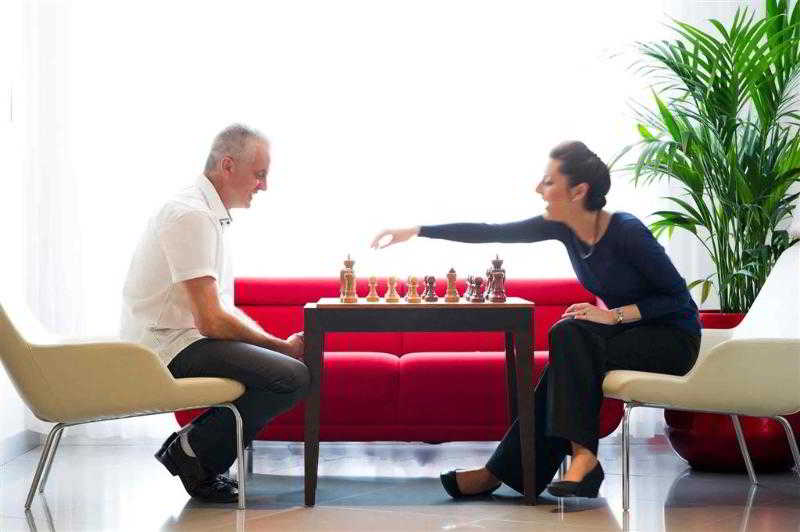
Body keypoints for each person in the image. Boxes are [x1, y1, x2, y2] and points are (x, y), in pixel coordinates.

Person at [370, 141, 700, 500]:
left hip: (671, 340)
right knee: (568, 337)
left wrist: (613, 315)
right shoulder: (564, 228)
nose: (538, 189)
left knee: (570, 341)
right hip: (628, 336)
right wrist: (418, 230)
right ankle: (570, 461)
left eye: (548, 181)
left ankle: (515, 470)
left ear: (578, 191)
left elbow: (678, 298)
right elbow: (492, 231)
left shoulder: (626, 230)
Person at [120, 124, 310, 503]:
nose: (264, 186)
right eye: (259, 174)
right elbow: (211, 320)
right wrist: (282, 348)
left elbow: (218, 311)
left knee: (285, 372)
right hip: (166, 349)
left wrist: (274, 347)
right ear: (227, 165)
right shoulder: (191, 215)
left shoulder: (204, 213)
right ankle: (192, 454)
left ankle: (195, 453)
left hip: (181, 340)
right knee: (291, 376)